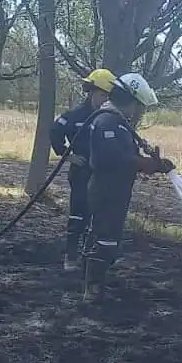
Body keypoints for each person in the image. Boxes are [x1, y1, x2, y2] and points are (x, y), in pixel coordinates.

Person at [83, 72, 175, 300]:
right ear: (129, 100)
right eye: (138, 105)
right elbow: (115, 158)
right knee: (105, 239)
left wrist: (152, 162)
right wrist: (148, 164)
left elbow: (126, 156)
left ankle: (95, 282)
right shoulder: (107, 122)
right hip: (107, 191)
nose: (138, 111)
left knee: (106, 237)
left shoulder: (118, 123)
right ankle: (92, 288)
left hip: (115, 190)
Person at [49, 68, 116, 270]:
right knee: (78, 214)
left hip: (101, 175)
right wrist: (67, 155)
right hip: (81, 173)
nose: (103, 99)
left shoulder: (109, 118)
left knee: (97, 217)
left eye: (107, 96)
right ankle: (71, 257)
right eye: (101, 95)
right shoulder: (76, 116)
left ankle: (90, 256)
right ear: (91, 92)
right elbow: (55, 130)